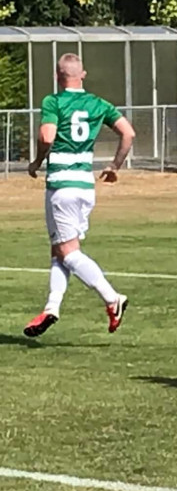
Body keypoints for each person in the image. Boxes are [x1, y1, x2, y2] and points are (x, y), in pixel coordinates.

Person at [22, 53, 135, 338]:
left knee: (68, 252)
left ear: (58, 76)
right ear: (82, 75)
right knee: (59, 250)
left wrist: (36, 162)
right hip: (85, 185)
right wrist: (114, 166)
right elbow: (128, 133)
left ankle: (112, 298)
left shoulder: (54, 101)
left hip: (61, 184)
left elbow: (47, 137)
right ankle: (52, 307)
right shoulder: (98, 103)